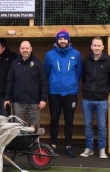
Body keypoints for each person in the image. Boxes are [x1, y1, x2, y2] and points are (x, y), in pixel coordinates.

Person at [44, 29, 82, 158]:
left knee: (69, 120)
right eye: (60, 39)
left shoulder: (76, 54)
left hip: (70, 93)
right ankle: (53, 145)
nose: (62, 41)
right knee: (54, 119)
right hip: (54, 92)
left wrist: (71, 84)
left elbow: (78, 73)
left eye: (65, 39)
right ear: (57, 41)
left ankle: (68, 146)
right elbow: (47, 72)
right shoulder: (49, 55)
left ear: (68, 40)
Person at [80, 37, 110, 159]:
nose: (96, 48)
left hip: (102, 99)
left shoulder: (109, 62)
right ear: (91, 47)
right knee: (88, 124)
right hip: (87, 99)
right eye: (94, 46)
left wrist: (106, 89)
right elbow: (83, 77)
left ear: (102, 47)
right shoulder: (86, 61)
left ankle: (102, 149)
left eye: (98, 46)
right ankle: (89, 148)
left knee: (102, 125)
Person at [4, 41, 48, 127]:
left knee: (34, 129)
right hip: (18, 102)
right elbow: (10, 81)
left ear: (31, 49)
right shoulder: (14, 64)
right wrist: (7, 98)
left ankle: (34, 141)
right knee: (18, 128)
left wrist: (43, 99)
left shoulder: (38, 63)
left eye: (27, 48)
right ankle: (20, 141)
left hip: (34, 102)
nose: (25, 50)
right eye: (23, 48)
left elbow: (43, 82)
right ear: (19, 49)